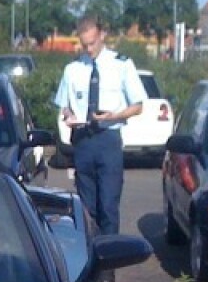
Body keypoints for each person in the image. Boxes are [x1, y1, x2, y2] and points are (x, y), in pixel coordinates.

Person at [54, 17, 146, 253]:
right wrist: (68, 115)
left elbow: (138, 106)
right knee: (86, 209)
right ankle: (89, 260)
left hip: (108, 140)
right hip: (84, 140)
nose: (88, 49)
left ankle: (109, 266)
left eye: (92, 43)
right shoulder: (73, 69)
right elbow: (64, 104)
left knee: (108, 206)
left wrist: (114, 116)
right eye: (84, 44)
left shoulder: (122, 65)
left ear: (103, 35)